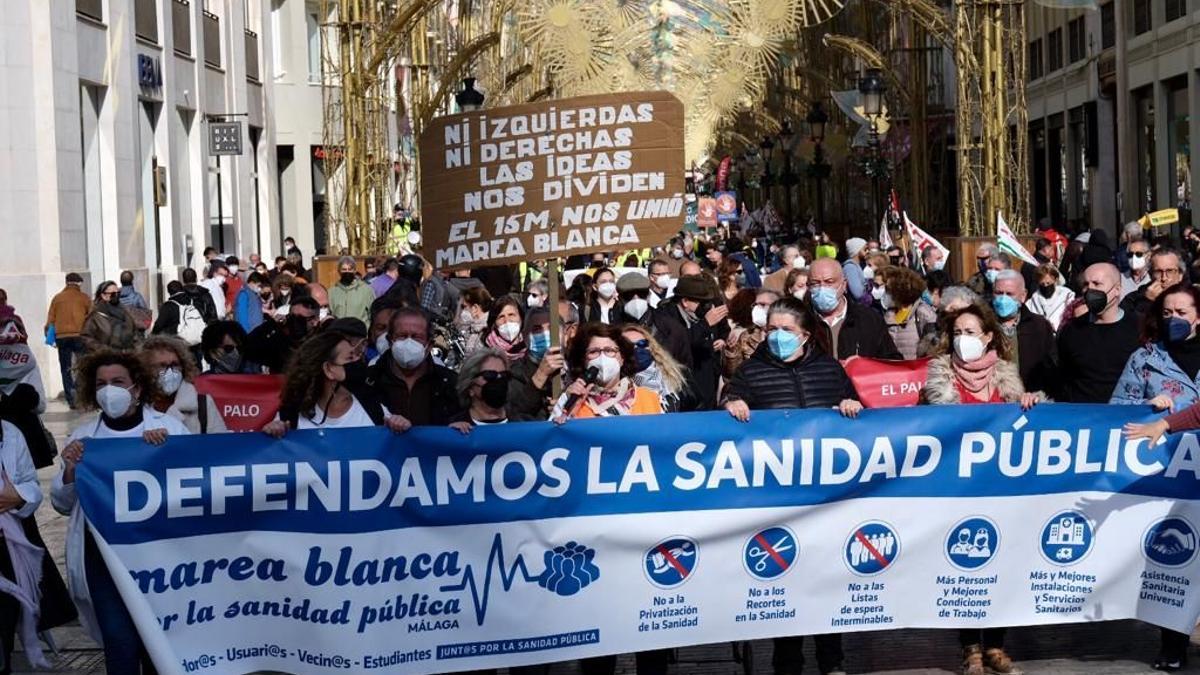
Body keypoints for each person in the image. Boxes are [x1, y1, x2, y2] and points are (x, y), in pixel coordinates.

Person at [721, 297, 860, 675]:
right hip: (778, 500)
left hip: (826, 499)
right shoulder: (752, 372)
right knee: (788, 584)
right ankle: (788, 664)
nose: (777, 337)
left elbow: (856, 411)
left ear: (805, 335)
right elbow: (728, 404)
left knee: (827, 584)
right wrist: (731, 403)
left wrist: (851, 405)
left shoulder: (829, 369)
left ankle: (833, 663)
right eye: (771, 330)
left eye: (786, 330)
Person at [53, 349, 190, 673]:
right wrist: (72, 468)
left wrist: (166, 453)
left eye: (117, 381)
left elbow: (192, 490)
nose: (108, 390)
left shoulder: (169, 428)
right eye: (101, 383)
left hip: (159, 557)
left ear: (137, 388)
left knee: (160, 643)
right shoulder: (85, 437)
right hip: (104, 560)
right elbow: (61, 503)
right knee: (120, 642)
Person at [919, 304, 1037, 675]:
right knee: (964, 565)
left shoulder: (1007, 376)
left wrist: (1030, 406)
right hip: (957, 490)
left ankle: (997, 646)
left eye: (970, 332)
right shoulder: (939, 376)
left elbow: (1024, 427)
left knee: (1001, 564)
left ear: (988, 337)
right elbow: (926, 426)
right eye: (956, 333)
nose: (962, 340)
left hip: (1001, 489)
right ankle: (970, 647)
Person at [0, 412, 52, 671]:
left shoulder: (8, 432)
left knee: (4, 629)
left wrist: (17, 497)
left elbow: (31, 485)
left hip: (7, 549)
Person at [264, 331, 395, 434]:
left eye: (357, 356)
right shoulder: (291, 416)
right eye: (350, 357)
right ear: (329, 369)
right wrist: (273, 432)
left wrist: (399, 426)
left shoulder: (373, 407)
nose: (358, 361)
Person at [1057, 263, 1141, 402]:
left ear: (1117, 290)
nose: (1090, 289)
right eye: (1086, 284)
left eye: (1097, 284)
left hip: (1125, 415)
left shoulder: (1138, 327)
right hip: (1083, 416)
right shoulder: (1072, 330)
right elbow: (1061, 377)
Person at [368, 307, 461, 426]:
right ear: (390, 340)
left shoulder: (450, 383)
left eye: (417, 337)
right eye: (402, 335)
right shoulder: (370, 381)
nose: (409, 342)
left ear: (429, 345)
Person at [552, 322, 663, 421]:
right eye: (593, 352)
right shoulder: (570, 398)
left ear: (622, 357)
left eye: (609, 351)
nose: (602, 357)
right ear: (583, 360)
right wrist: (570, 411)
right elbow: (552, 437)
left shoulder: (650, 398)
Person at [807, 259, 902, 361]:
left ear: (844, 285)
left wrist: (863, 366)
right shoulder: (800, 320)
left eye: (829, 282)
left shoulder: (868, 319)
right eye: (815, 283)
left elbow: (892, 361)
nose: (822, 288)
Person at [661, 275, 726, 410]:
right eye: (701, 302)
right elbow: (678, 345)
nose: (705, 307)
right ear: (685, 301)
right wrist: (705, 325)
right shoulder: (666, 318)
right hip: (683, 388)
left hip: (706, 383)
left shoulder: (703, 316)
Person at [992, 270, 1058, 394]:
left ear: (1023, 295)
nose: (1003, 299)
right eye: (999, 293)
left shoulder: (1039, 326)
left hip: (1030, 400)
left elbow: (1050, 367)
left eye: (1009, 294)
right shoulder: (982, 324)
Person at [508, 304, 576, 422]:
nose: (545, 334)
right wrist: (541, 374)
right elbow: (514, 412)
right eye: (537, 330)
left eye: (551, 329)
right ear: (525, 337)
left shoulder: (576, 368)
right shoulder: (514, 372)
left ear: (565, 336)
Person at [616, 272, 691, 368]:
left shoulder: (671, 328)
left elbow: (685, 367)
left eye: (641, 294)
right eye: (628, 295)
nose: (636, 299)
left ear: (648, 296)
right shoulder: (613, 331)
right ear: (619, 299)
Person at [140, 336, 205, 433]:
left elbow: (219, 444)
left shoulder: (203, 403)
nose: (170, 371)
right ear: (146, 369)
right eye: (162, 366)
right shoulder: (135, 407)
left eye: (175, 365)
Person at [45, 273, 92, 407]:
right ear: (79, 283)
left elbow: (50, 320)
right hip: (80, 336)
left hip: (62, 337)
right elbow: (92, 317)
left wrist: (49, 336)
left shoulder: (57, 298)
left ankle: (71, 399)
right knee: (82, 366)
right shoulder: (84, 298)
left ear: (66, 282)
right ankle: (80, 394)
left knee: (65, 368)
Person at [621, 324, 692, 412]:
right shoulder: (618, 387)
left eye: (642, 344)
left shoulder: (677, 375)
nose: (636, 349)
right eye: (628, 346)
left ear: (651, 347)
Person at [245, 296, 321, 373]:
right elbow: (247, 348)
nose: (294, 322)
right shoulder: (280, 341)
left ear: (314, 320)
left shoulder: (321, 344)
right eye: (291, 317)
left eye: (300, 318)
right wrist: (270, 324)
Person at [448, 348, 513, 432]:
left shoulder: (523, 424)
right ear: (470, 386)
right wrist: (450, 435)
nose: (498, 380)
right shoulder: (453, 426)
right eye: (490, 375)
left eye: (504, 375)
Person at [880, 266, 937, 360]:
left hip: (916, 370)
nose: (886, 293)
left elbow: (933, 347)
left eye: (889, 290)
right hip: (893, 370)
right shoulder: (889, 314)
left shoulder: (923, 313)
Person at [152, 268, 218, 345]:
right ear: (196, 278)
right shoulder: (206, 294)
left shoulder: (180, 297)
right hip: (204, 335)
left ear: (183, 280)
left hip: (184, 337)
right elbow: (213, 316)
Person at [723, 289, 776, 376]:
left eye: (764, 305)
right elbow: (732, 372)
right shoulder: (744, 336)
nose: (762, 309)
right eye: (758, 305)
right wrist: (731, 351)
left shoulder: (782, 334)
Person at [1123, 247, 1186, 318]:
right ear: (1150, 274)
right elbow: (1127, 326)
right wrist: (1146, 302)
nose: (1164, 278)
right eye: (1158, 272)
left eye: (1170, 271)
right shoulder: (1133, 299)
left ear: (1180, 275)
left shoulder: (1193, 297)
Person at [81, 281, 140, 352]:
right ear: (103, 296)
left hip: (127, 357)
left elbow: (134, 334)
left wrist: (137, 350)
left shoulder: (125, 313)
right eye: (113, 294)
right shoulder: (96, 316)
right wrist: (103, 350)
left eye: (118, 293)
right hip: (105, 358)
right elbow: (86, 337)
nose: (116, 295)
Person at [1025, 263, 1075, 330]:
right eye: (1042, 284)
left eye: (1048, 283)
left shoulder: (1066, 294)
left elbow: (1070, 313)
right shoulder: (1033, 300)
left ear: (1055, 280)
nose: (1045, 286)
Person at [329, 256, 375, 324]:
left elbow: (372, 313)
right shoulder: (332, 292)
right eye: (344, 269)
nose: (347, 272)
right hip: (339, 331)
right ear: (339, 271)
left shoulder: (366, 290)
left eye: (350, 269)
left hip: (360, 332)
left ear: (354, 270)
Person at [482, 295, 527, 364]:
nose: (507, 321)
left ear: (521, 318)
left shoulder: (530, 345)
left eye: (511, 315)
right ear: (494, 323)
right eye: (501, 317)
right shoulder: (484, 350)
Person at [456, 286, 493, 355]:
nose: (462, 311)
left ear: (475, 308)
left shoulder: (487, 332)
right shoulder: (473, 328)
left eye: (464, 307)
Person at [842, 237, 870, 301]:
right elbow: (858, 293)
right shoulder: (850, 268)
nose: (868, 251)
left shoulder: (859, 265)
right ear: (857, 250)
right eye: (865, 249)